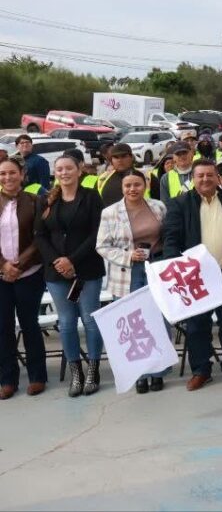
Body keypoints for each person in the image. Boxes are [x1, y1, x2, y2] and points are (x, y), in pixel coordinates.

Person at [162, 158, 222, 390]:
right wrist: (177, 268)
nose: (205, 179)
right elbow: (170, 239)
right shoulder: (179, 204)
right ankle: (201, 370)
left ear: (217, 177)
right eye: (200, 175)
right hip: (195, 277)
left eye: (210, 175)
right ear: (193, 178)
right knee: (197, 326)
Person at [35, 155, 105, 397]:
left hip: (87, 269)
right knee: (66, 322)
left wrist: (72, 260)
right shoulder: (46, 200)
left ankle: (94, 369)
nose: (64, 173)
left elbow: (97, 232)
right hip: (57, 272)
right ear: (55, 173)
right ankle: (76, 372)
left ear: (79, 170)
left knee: (90, 319)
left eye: (68, 168)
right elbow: (40, 235)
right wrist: (59, 262)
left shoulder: (91, 197)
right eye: (60, 169)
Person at [95, 170, 170, 393]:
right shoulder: (110, 213)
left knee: (157, 320)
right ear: (122, 188)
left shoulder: (158, 207)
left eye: (137, 184)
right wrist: (128, 256)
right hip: (126, 272)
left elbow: (167, 235)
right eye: (128, 185)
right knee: (133, 324)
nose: (132, 189)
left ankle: (158, 371)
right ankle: (139, 373)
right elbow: (102, 246)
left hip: (155, 268)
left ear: (145, 185)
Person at [0, 156, 46, 398]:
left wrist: (18, 265)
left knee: (29, 324)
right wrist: (4, 266)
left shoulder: (34, 201)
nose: (7, 178)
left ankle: (37, 376)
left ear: (22, 174)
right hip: (1, 276)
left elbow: (40, 237)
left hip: (29, 273)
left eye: (12, 173)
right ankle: (7, 379)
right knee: (2, 327)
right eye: (2, 174)